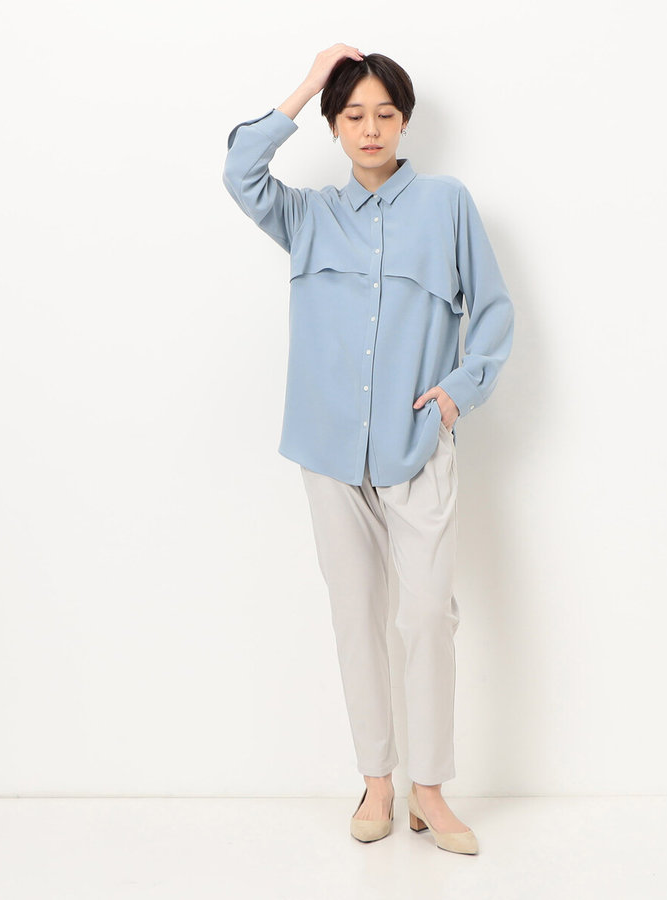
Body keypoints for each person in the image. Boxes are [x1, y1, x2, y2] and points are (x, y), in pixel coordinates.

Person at [222, 43, 514, 855]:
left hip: (416, 445)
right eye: (353, 114)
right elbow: (240, 171)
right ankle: (377, 782)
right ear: (334, 126)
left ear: (405, 120)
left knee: (427, 617)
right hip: (328, 451)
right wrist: (311, 80)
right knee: (356, 620)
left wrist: (458, 392)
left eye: (385, 112)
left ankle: (431, 790)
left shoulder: (448, 204)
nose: (371, 127)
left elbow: (492, 310)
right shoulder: (307, 215)